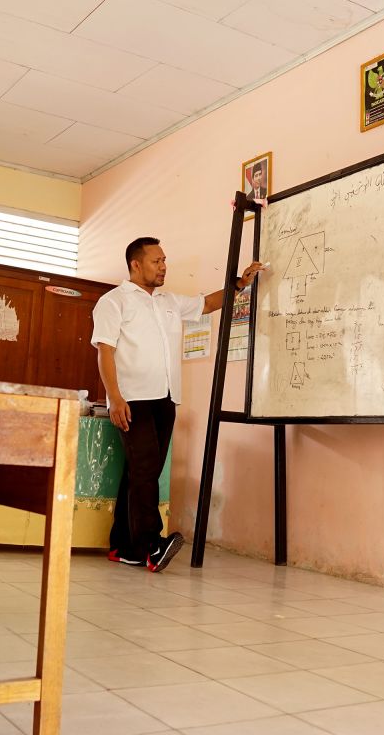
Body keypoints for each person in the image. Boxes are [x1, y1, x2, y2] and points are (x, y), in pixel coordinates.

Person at [91, 237, 264, 572]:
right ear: (136, 265)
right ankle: (151, 545)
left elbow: (209, 304)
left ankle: (123, 546)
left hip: (166, 398)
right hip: (133, 400)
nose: (164, 266)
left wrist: (241, 283)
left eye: (165, 260)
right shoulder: (113, 302)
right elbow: (105, 351)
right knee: (144, 472)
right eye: (157, 261)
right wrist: (114, 397)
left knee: (142, 472)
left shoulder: (169, 301)